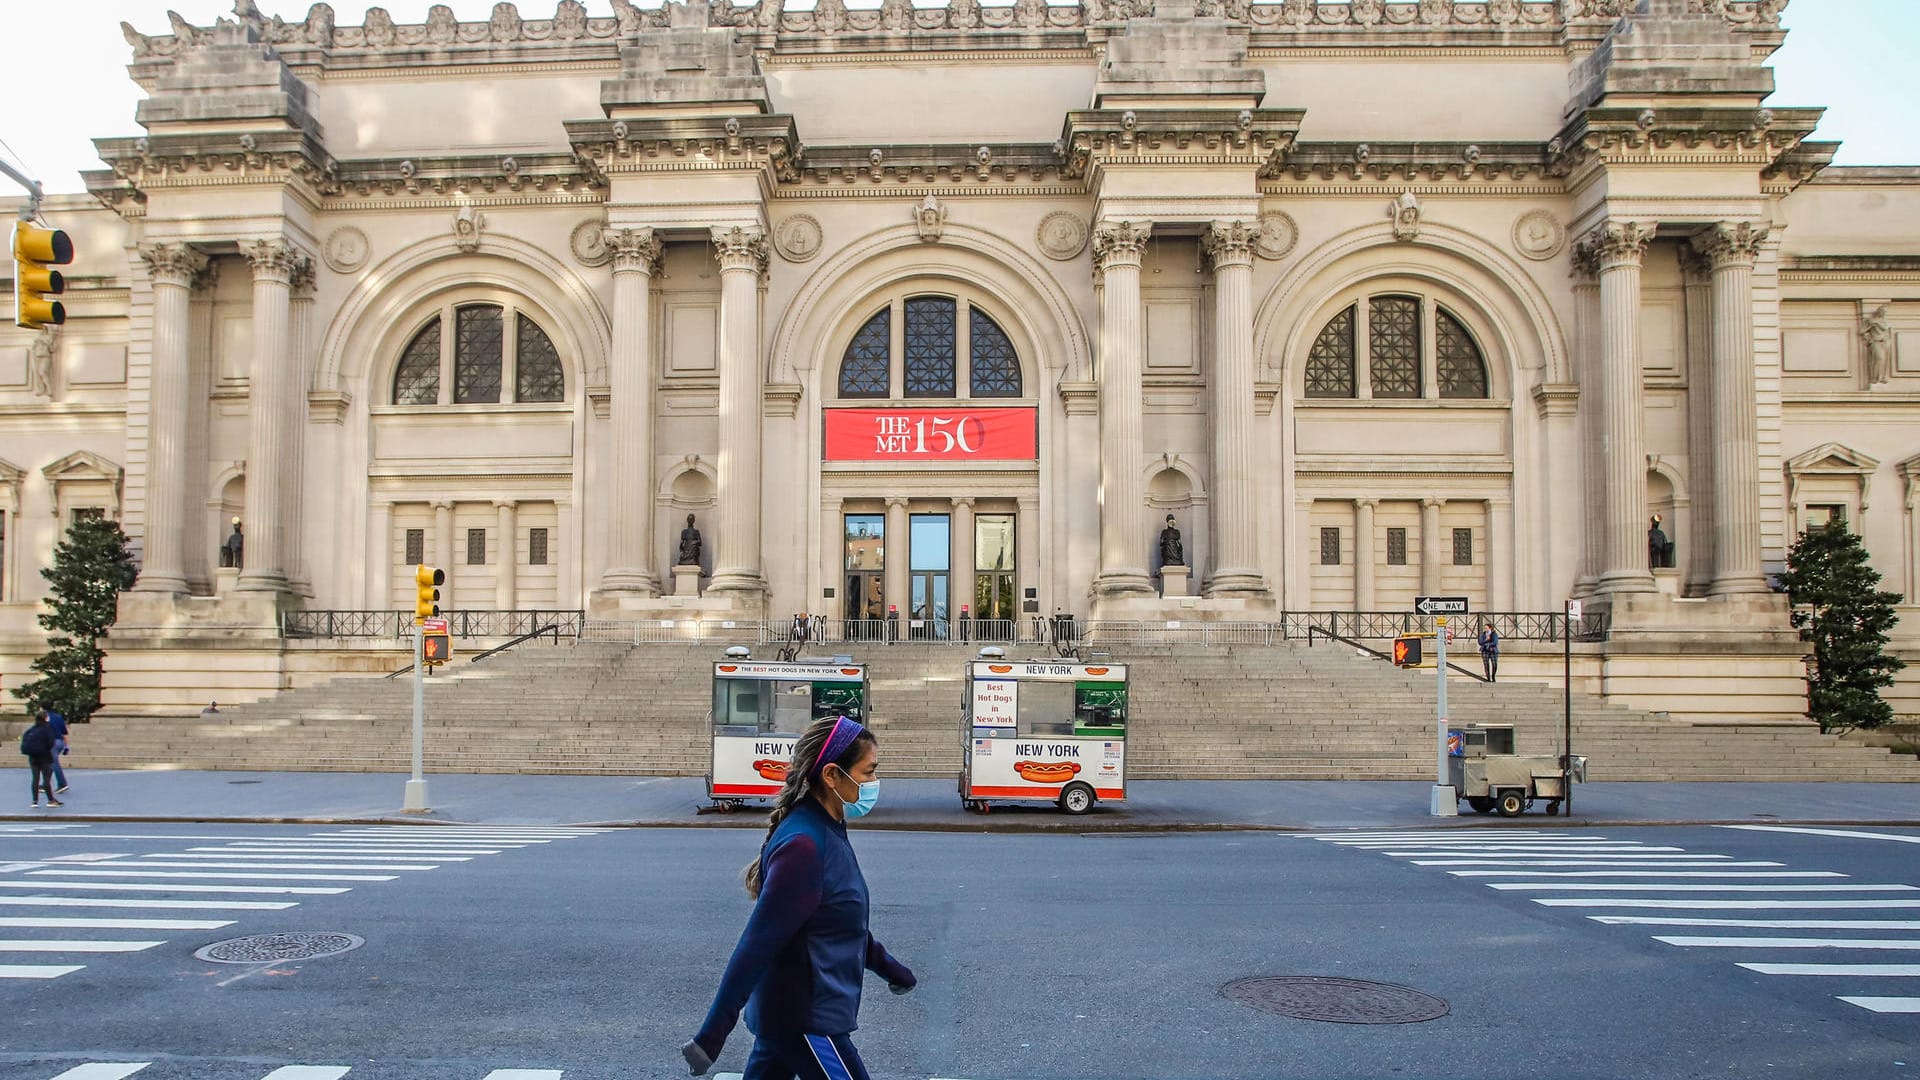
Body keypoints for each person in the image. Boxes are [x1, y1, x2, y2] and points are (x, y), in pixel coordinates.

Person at [683, 715, 914, 1079]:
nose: (874, 783)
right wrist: (711, 1037)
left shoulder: (827, 827)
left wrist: (892, 970)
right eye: (868, 772)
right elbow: (756, 945)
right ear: (832, 775)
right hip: (807, 1020)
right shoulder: (806, 844)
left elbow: (836, 921)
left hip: (790, 1017)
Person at [20, 712, 61, 808]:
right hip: (45, 756)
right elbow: (51, 742)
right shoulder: (47, 729)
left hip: (33, 757)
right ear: (45, 718)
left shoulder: (31, 729)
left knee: (35, 778)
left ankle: (35, 801)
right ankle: (51, 800)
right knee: (46, 779)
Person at [45, 708, 69, 794]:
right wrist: (66, 745)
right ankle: (45, 783)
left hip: (52, 742)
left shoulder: (45, 717)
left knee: (53, 762)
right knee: (50, 762)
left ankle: (62, 783)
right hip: (60, 741)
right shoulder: (58, 717)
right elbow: (64, 732)